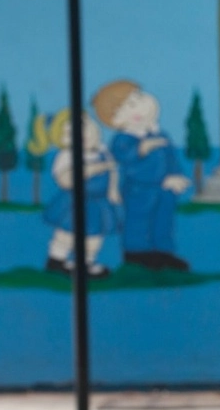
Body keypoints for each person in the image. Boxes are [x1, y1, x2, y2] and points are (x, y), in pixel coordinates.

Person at [91, 80, 191, 271]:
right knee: (139, 221)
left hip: (164, 190)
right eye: (127, 106)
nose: (138, 107)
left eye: (138, 100)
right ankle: (137, 254)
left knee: (163, 220)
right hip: (139, 191)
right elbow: (125, 159)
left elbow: (171, 159)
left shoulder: (160, 134)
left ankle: (163, 253)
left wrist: (176, 176)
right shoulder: (123, 139)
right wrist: (141, 149)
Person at [33, 109, 120, 278]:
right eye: (68, 134)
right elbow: (66, 179)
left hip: (99, 203)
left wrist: (113, 191)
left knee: (94, 236)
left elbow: (113, 172)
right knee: (67, 233)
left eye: (82, 126)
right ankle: (56, 261)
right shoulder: (67, 156)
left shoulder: (103, 151)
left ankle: (86, 263)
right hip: (74, 202)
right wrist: (94, 168)